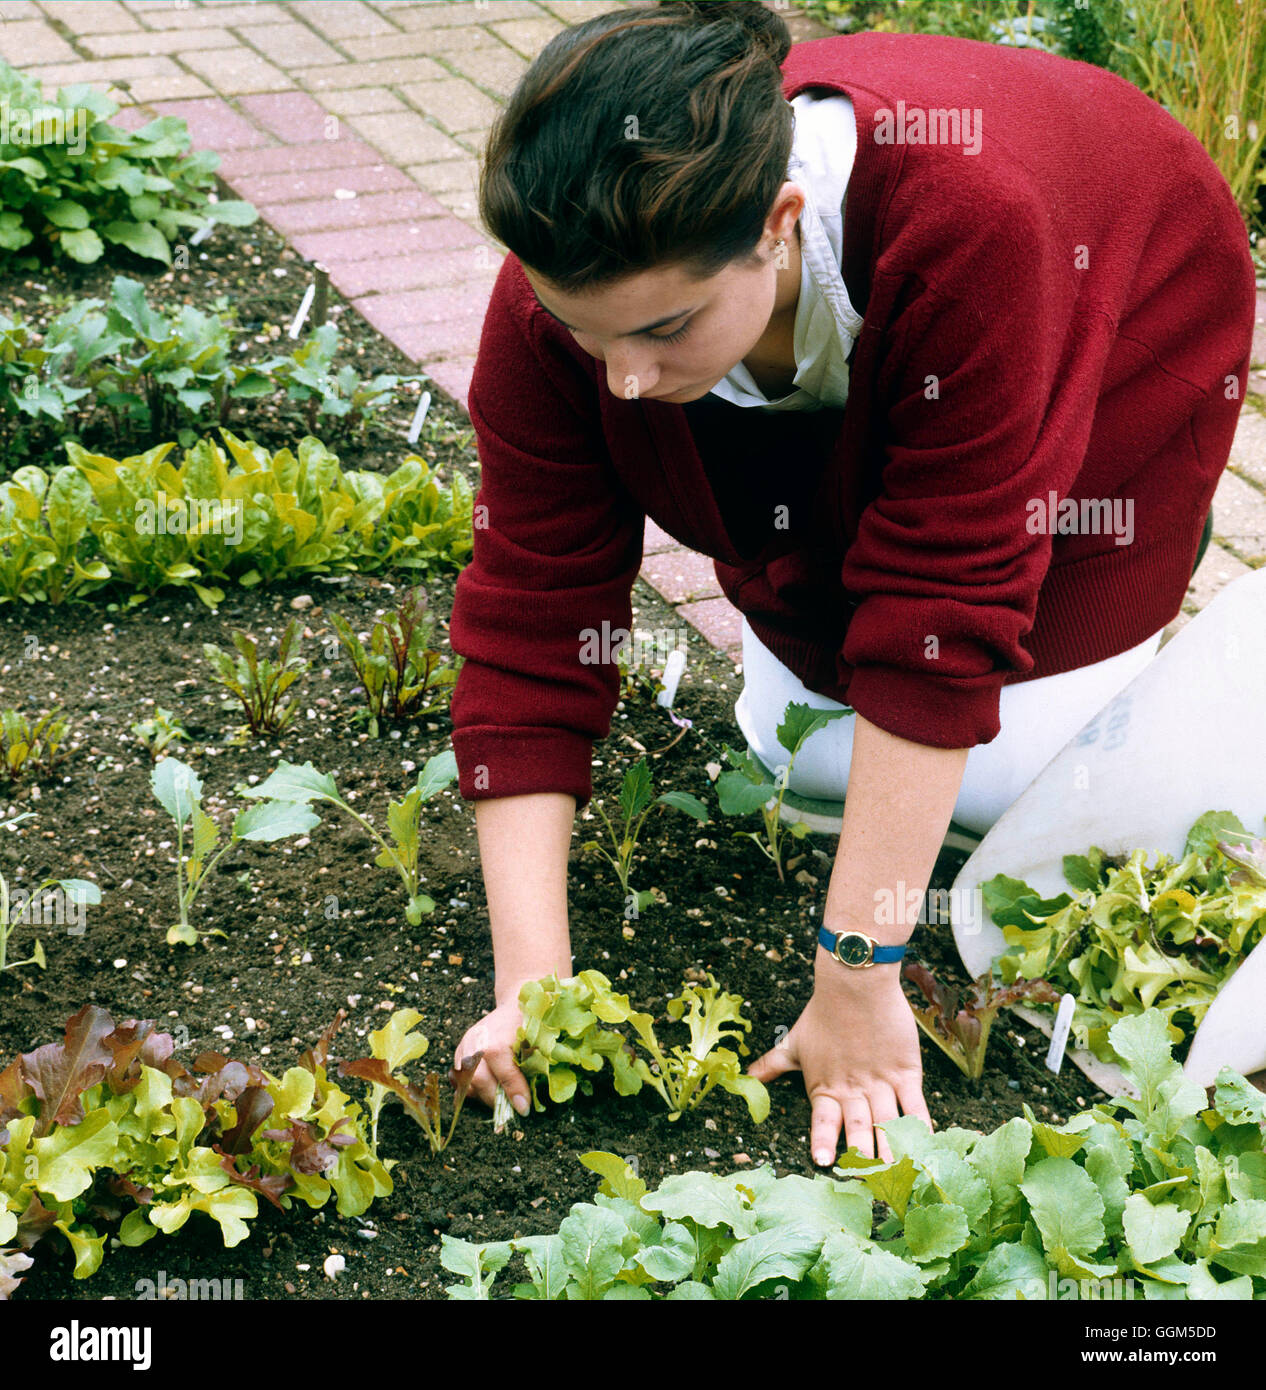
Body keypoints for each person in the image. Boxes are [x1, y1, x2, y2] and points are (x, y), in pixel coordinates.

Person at [447, 1, 1257, 1165]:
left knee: (1019, 773)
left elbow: (941, 619)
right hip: (879, 370)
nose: (620, 379)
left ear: (778, 223)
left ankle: (1136, 598)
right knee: (801, 745)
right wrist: (534, 983)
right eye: (590, 336)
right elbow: (533, 609)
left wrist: (859, 972)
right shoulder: (575, 289)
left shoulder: (976, 227)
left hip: (1122, 355)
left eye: (665, 328)